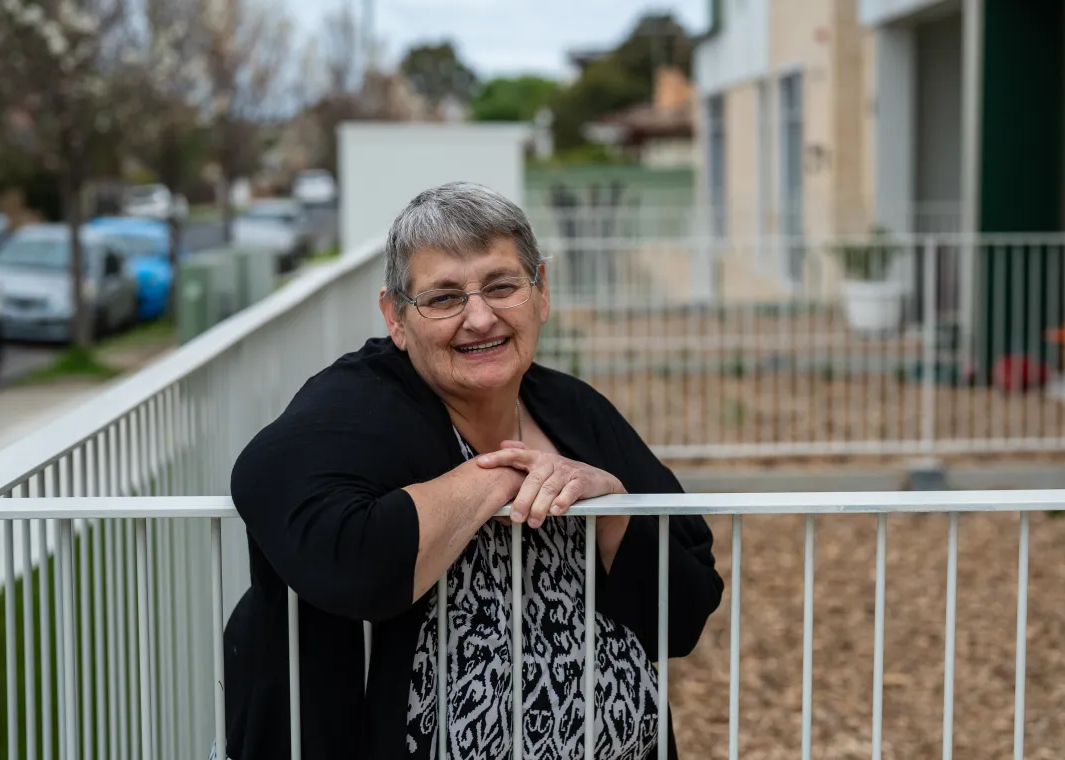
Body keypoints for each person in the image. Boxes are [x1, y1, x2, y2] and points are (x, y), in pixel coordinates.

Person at [222, 181, 725, 760]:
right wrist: (497, 478)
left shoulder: (572, 408)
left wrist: (607, 503)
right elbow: (278, 490)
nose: (480, 318)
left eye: (502, 286)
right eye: (443, 298)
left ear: (541, 293)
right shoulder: (361, 402)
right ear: (395, 317)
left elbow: (685, 609)